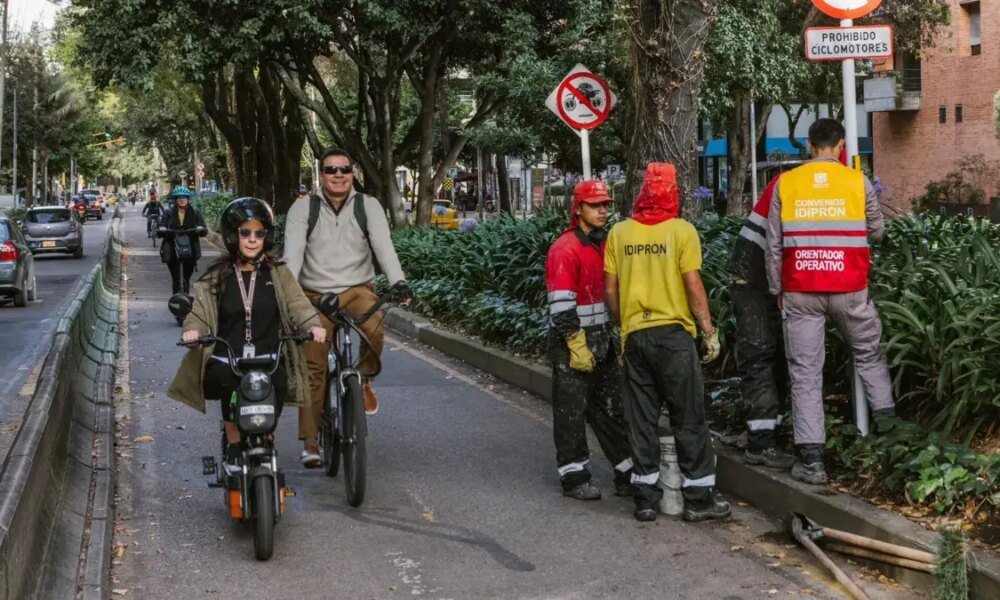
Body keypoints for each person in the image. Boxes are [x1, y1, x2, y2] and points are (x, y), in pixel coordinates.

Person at [765, 118, 895, 485]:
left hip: (801, 290)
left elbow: (774, 246)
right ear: (840, 145)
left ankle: (812, 461)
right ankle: (891, 436)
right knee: (869, 355)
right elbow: (878, 230)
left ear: (809, 144)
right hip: (850, 289)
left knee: (805, 374)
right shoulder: (857, 181)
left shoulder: (786, 183)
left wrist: (778, 290)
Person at [604, 162, 730, 523]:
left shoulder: (619, 233)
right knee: (688, 416)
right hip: (674, 338)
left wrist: (623, 324)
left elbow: (610, 291)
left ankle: (644, 498)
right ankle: (699, 499)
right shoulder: (682, 231)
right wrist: (709, 331)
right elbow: (693, 286)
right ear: (673, 194)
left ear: (642, 192)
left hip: (635, 337)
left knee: (640, 419)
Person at [168, 198, 326, 473]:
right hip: (228, 359)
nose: (252, 239)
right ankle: (232, 447)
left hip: (269, 358)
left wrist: (313, 324)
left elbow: (299, 305)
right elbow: (200, 313)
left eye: (259, 233)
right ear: (232, 236)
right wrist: (194, 330)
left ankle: (266, 440)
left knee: (275, 387)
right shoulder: (216, 277)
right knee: (231, 389)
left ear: (267, 237)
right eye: (245, 232)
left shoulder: (279, 273)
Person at [283, 147, 413, 467]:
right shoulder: (304, 208)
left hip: (357, 290)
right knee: (313, 364)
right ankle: (311, 441)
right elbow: (293, 255)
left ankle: (365, 379)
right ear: (321, 174)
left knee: (375, 327)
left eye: (344, 169)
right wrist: (288, 295)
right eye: (331, 170)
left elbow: (384, 247)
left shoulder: (368, 206)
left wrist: (398, 282)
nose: (338, 175)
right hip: (314, 294)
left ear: (352, 173)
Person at [545, 179, 633, 501]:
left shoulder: (604, 244)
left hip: (602, 341)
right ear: (578, 208)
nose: (602, 210)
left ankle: (627, 472)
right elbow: (561, 303)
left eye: (606, 204)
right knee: (571, 412)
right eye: (595, 205)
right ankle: (574, 477)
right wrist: (574, 341)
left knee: (612, 409)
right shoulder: (565, 249)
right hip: (572, 342)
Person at [727, 175, 796, 470]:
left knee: (777, 353)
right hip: (754, 273)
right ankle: (761, 442)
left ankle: (768, 432)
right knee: (761, 351)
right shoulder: (798, 185)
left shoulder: (798, 182)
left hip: (763, 272)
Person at [158, 186, 207, 295]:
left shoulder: (195, 213)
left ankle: (186, 295)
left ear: (188, 199)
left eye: (184, 197)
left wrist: (200, 229)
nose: (182, 199)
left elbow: (204, 230)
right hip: (172, 248)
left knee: (186, 277)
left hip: (190, 248)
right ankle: (175, 298)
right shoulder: (168, 213)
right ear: (175, 200)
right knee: (175, 277)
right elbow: (160, 228)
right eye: (179, 197)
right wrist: (161, 228)